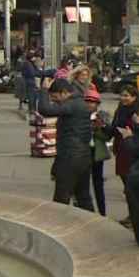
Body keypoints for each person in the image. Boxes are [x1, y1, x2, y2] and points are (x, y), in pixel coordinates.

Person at [37, 79, 94, 211]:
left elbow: (45, 109)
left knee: (62, 197)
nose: (55, 101)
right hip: (83, 156)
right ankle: (92, 225)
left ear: (64, 93)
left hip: (71, 157)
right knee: (83, 196)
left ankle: (59, 226)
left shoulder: (72, 104)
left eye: (55, 97)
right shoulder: (80, 102)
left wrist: (44, 90)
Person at [85, 89, 112, 216]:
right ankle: (85, 211)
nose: (90, 104)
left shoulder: (102, 116)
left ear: (97, 104)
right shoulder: (80, 114)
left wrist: (99, 128)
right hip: (83, 152)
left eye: (93, 102)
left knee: (98, 184)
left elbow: (108, 137)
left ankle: (102, 213)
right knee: (82, 184)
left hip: (96, 153)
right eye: (88, 101)